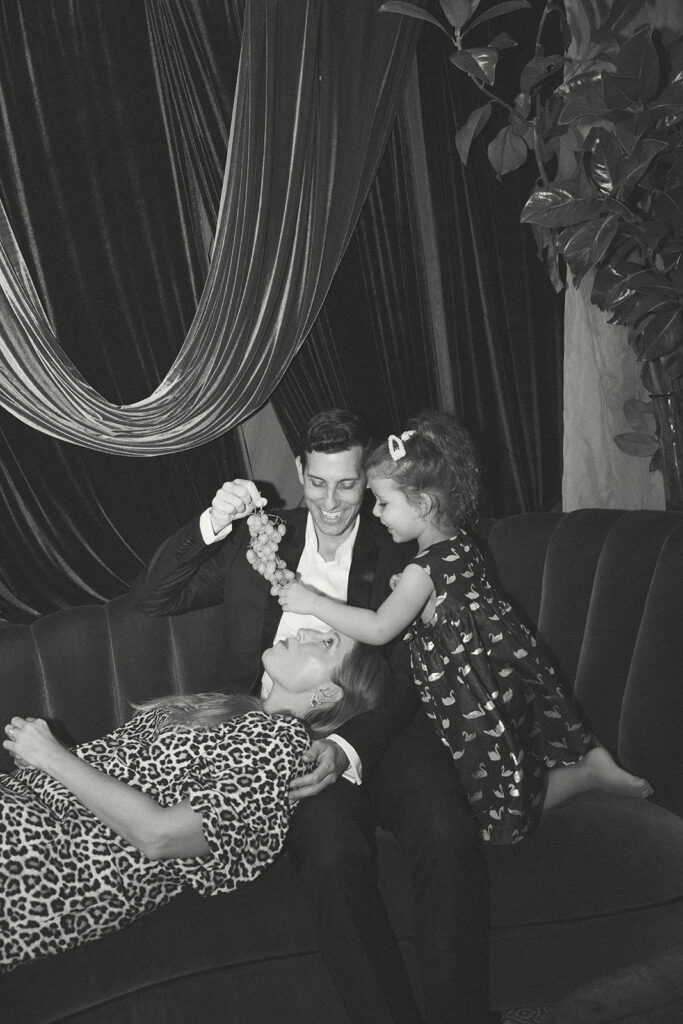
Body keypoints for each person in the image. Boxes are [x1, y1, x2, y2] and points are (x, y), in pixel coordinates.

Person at [131, 408, 495, 1024]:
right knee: (331, 859)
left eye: (348, 484)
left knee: (447, 835)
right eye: (318, 482)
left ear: (369, 480)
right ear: (299, 471)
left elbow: (407, 678)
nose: (331, 500)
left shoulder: (396, 547)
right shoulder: (258, 540)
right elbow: (152, 597)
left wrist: (347, 749)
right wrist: (213, 520)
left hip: (382, 725)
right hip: (282, 739)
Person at [279, 410, 653, 845]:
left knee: (490, 804)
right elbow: (455, 606)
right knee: (506, 773)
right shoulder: (459, 545)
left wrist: (314, 603)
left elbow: (380, 629)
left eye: (384, 502)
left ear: (422, 504)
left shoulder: (422, 569)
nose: (376, 513)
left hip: (467, 697)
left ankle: (587, 774)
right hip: (495, 677)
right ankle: (587, 767)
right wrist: (416, 598)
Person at [0, 629, 388, 973]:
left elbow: (159, 836)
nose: (304, 630)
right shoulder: (235, 711)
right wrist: (46, 763)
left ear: (329, 693)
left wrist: (53, 757)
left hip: (43, 863)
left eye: (327, 642)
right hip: (27, 814)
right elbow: (129, 776)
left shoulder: (282, 746)